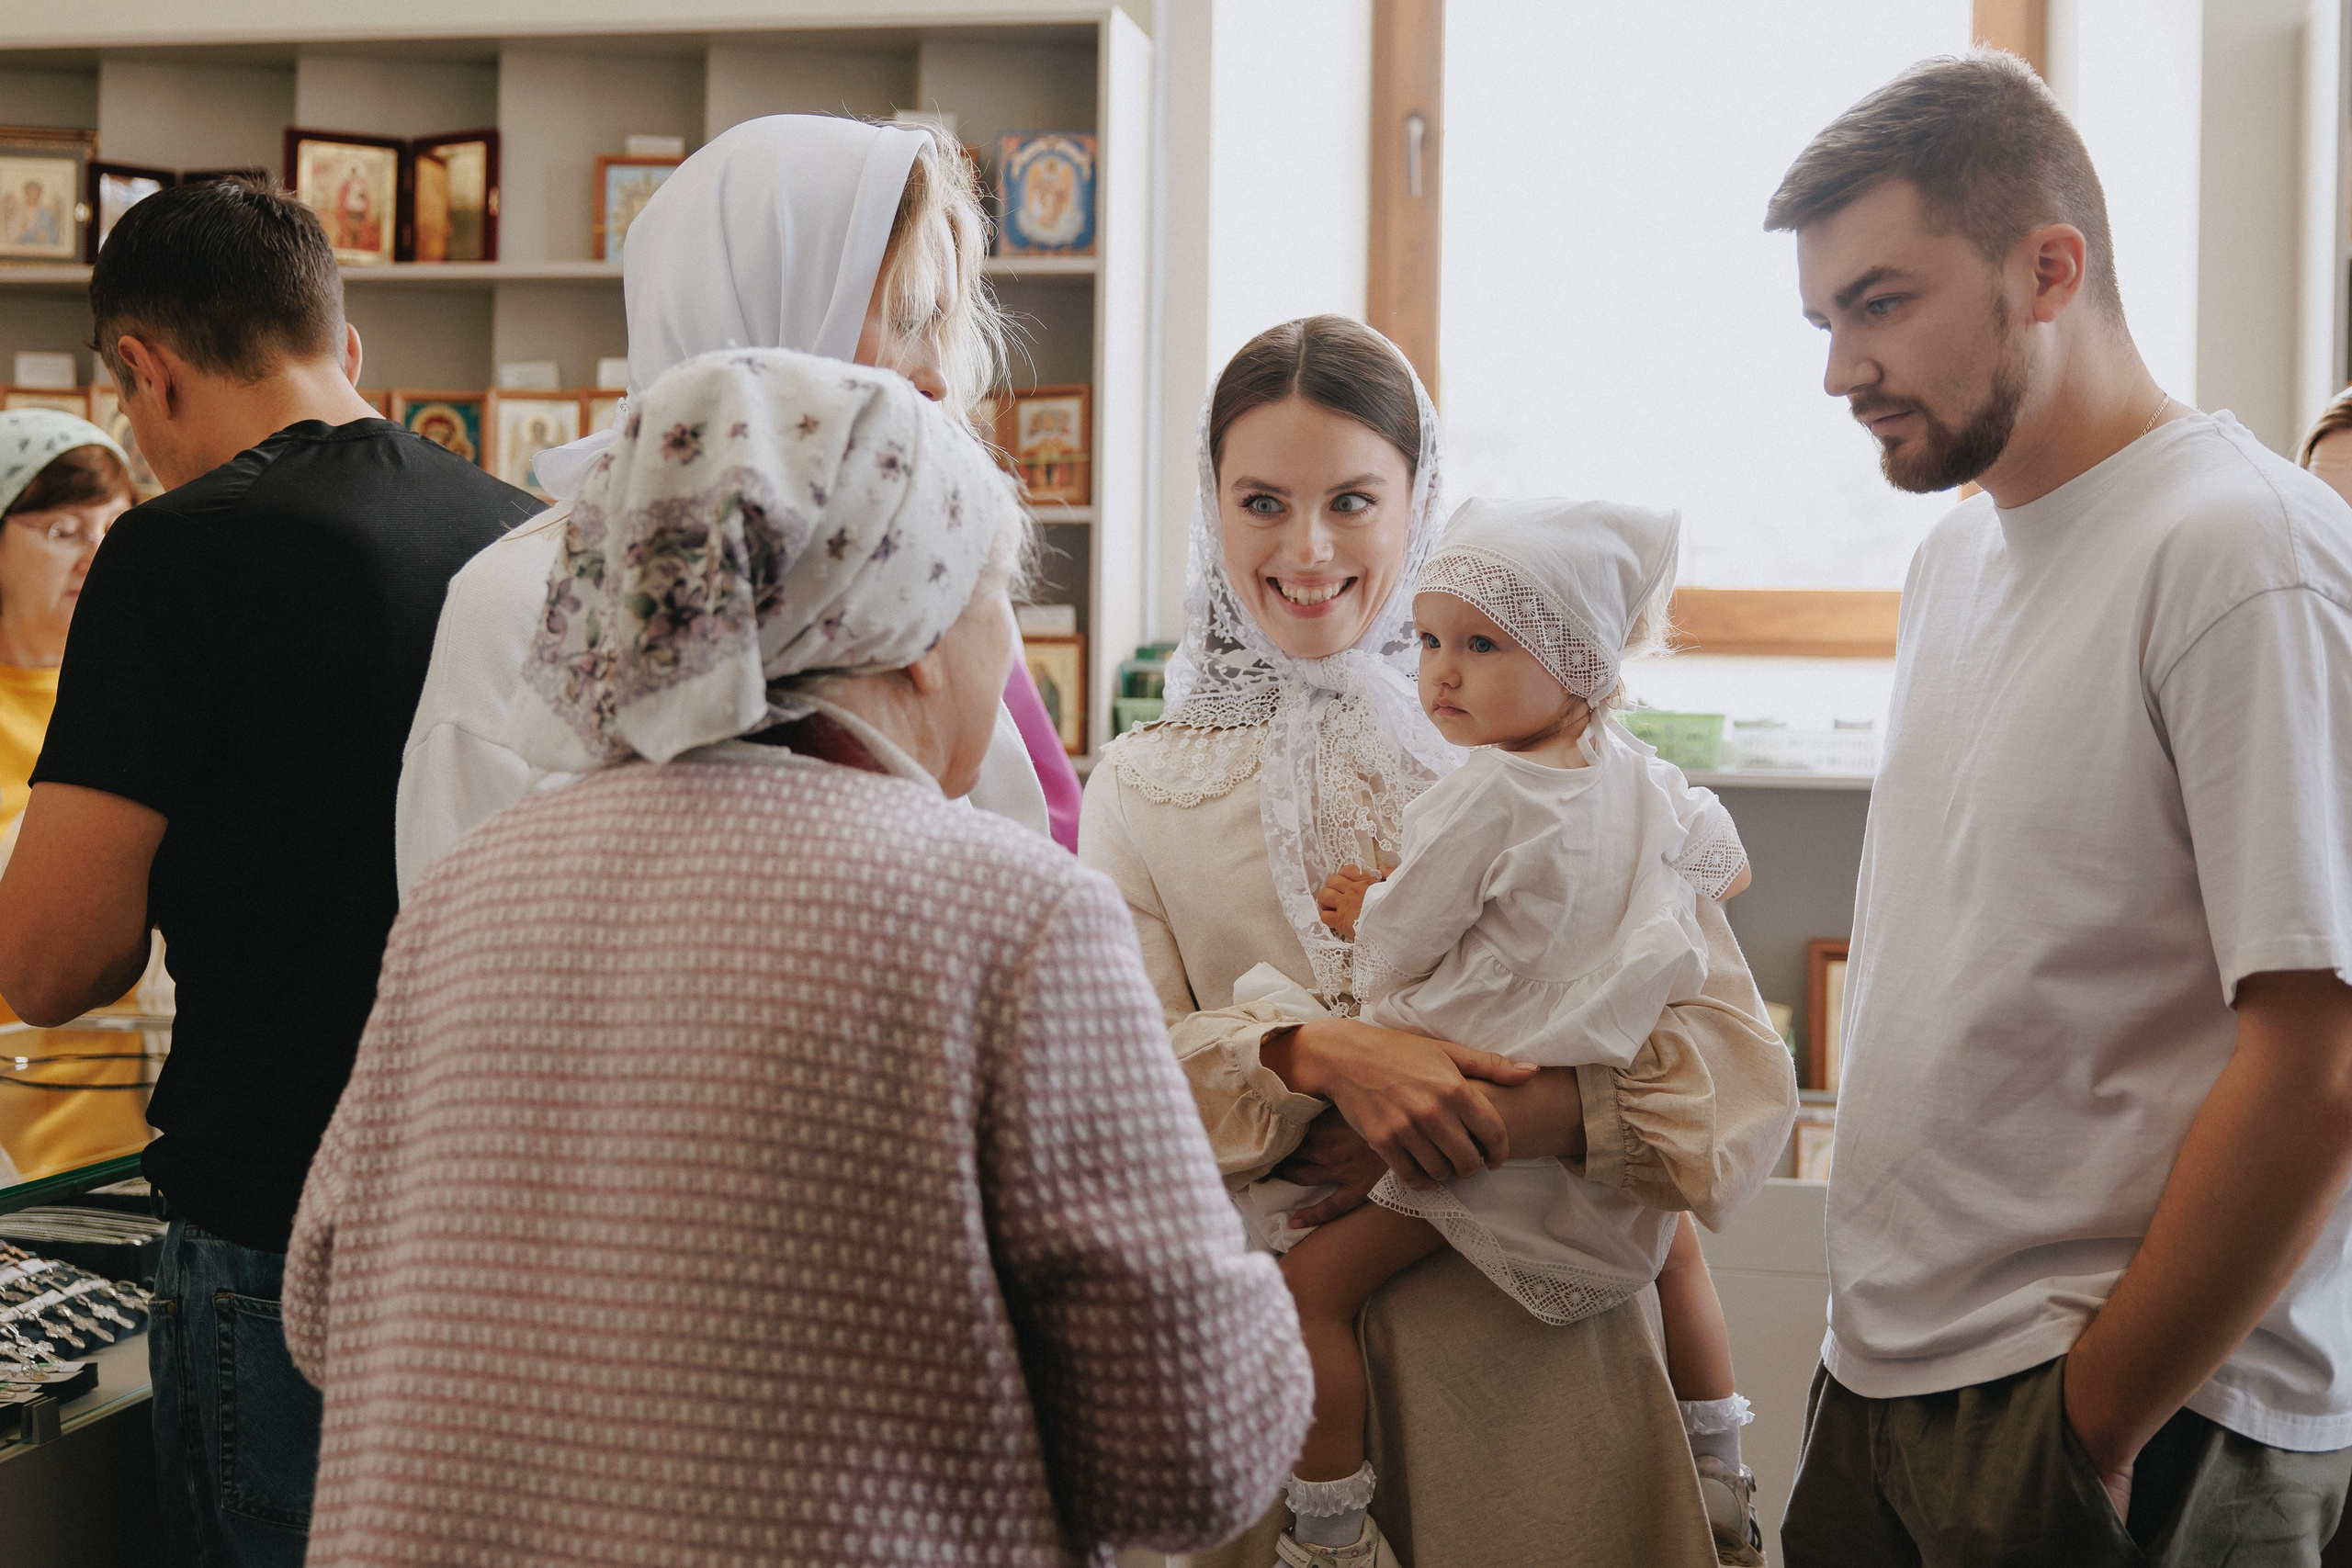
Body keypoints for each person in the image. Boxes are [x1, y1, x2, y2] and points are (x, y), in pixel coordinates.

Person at [284, 347, 1312, 1565]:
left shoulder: (472, 885)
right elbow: (1189, 1442)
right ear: (918, 632)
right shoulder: (1005, 913)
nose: (1013, 654)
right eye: (999, 605)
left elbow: (323, 1304)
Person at [1080, 313, 1799, 1568]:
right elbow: (1108, 1095)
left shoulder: (1554, 754)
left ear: (1424, 504)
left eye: (1353, 499)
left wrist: (1497, 1120)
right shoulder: (1139, 784)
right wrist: (1311, 1052)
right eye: (1261, 500)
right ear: (1212, 508)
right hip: (1298, 1405)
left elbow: (1732, 1073)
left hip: (1557, 1384)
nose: (1306, 549)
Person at [1768, 53, 2352, 1566]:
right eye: (1826, 320)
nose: (1840, 370)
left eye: (1882, 302)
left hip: (2130, 1424)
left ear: (2049, 268)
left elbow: (2321, 1061)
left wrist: (2091, 1427)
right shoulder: (1957, 560)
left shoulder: (2242, 551)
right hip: (1887, 1382)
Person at [0, 175, 539, 1568]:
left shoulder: (177, 552)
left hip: (278, 1223)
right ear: (344, 346)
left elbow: (53, 962)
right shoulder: (524, 528)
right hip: (503, 1218)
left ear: (142, 369)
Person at [1247, 496, 1766, 1567]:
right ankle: (1719, 1470)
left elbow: (1401, 946)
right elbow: (1726, 870)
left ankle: (1329, 1526)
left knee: (1313, 1289)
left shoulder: (1483, 794)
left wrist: (1361, 905)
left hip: (1474, 1113)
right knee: (1670, 1254)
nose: (1442, 672)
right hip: (1588, 1104)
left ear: (1576, 663)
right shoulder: (1643, 779)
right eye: (1431, 640)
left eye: (1482, 646)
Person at [396, 114, 1081, 897]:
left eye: (943, 330)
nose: (936, 377)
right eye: (906, 320)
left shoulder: (928, 574)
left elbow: (1030, 860)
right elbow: (460, 936)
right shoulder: (520, 599)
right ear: (764, 302)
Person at [0, 410, 156, 1181]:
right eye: (64, 531)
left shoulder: (136, 698)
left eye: (115, 531)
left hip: (151, 1140)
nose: (98, 558)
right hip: (22, 1155)